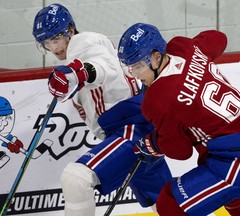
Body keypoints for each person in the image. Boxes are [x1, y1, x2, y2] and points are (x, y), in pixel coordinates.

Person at [117, 23, 240, 216]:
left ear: (157, 56)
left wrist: (151, 144)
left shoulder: (157, 101)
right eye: (130, 68)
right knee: (235, 196)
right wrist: (196, 49)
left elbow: (180, 151)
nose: (134, 74)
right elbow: (219, 38)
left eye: (138, 66)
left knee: (171, 203)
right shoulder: (183, 47)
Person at [32, 5, 172, 216]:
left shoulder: (83, 43)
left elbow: (105, 66)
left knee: (76, 179)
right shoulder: (78, 53)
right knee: (167, 206)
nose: (53, 47)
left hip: (130, 129)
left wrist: (78, 74)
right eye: (47, 42)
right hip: (142, 129)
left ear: (70, 30)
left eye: (56, 39)